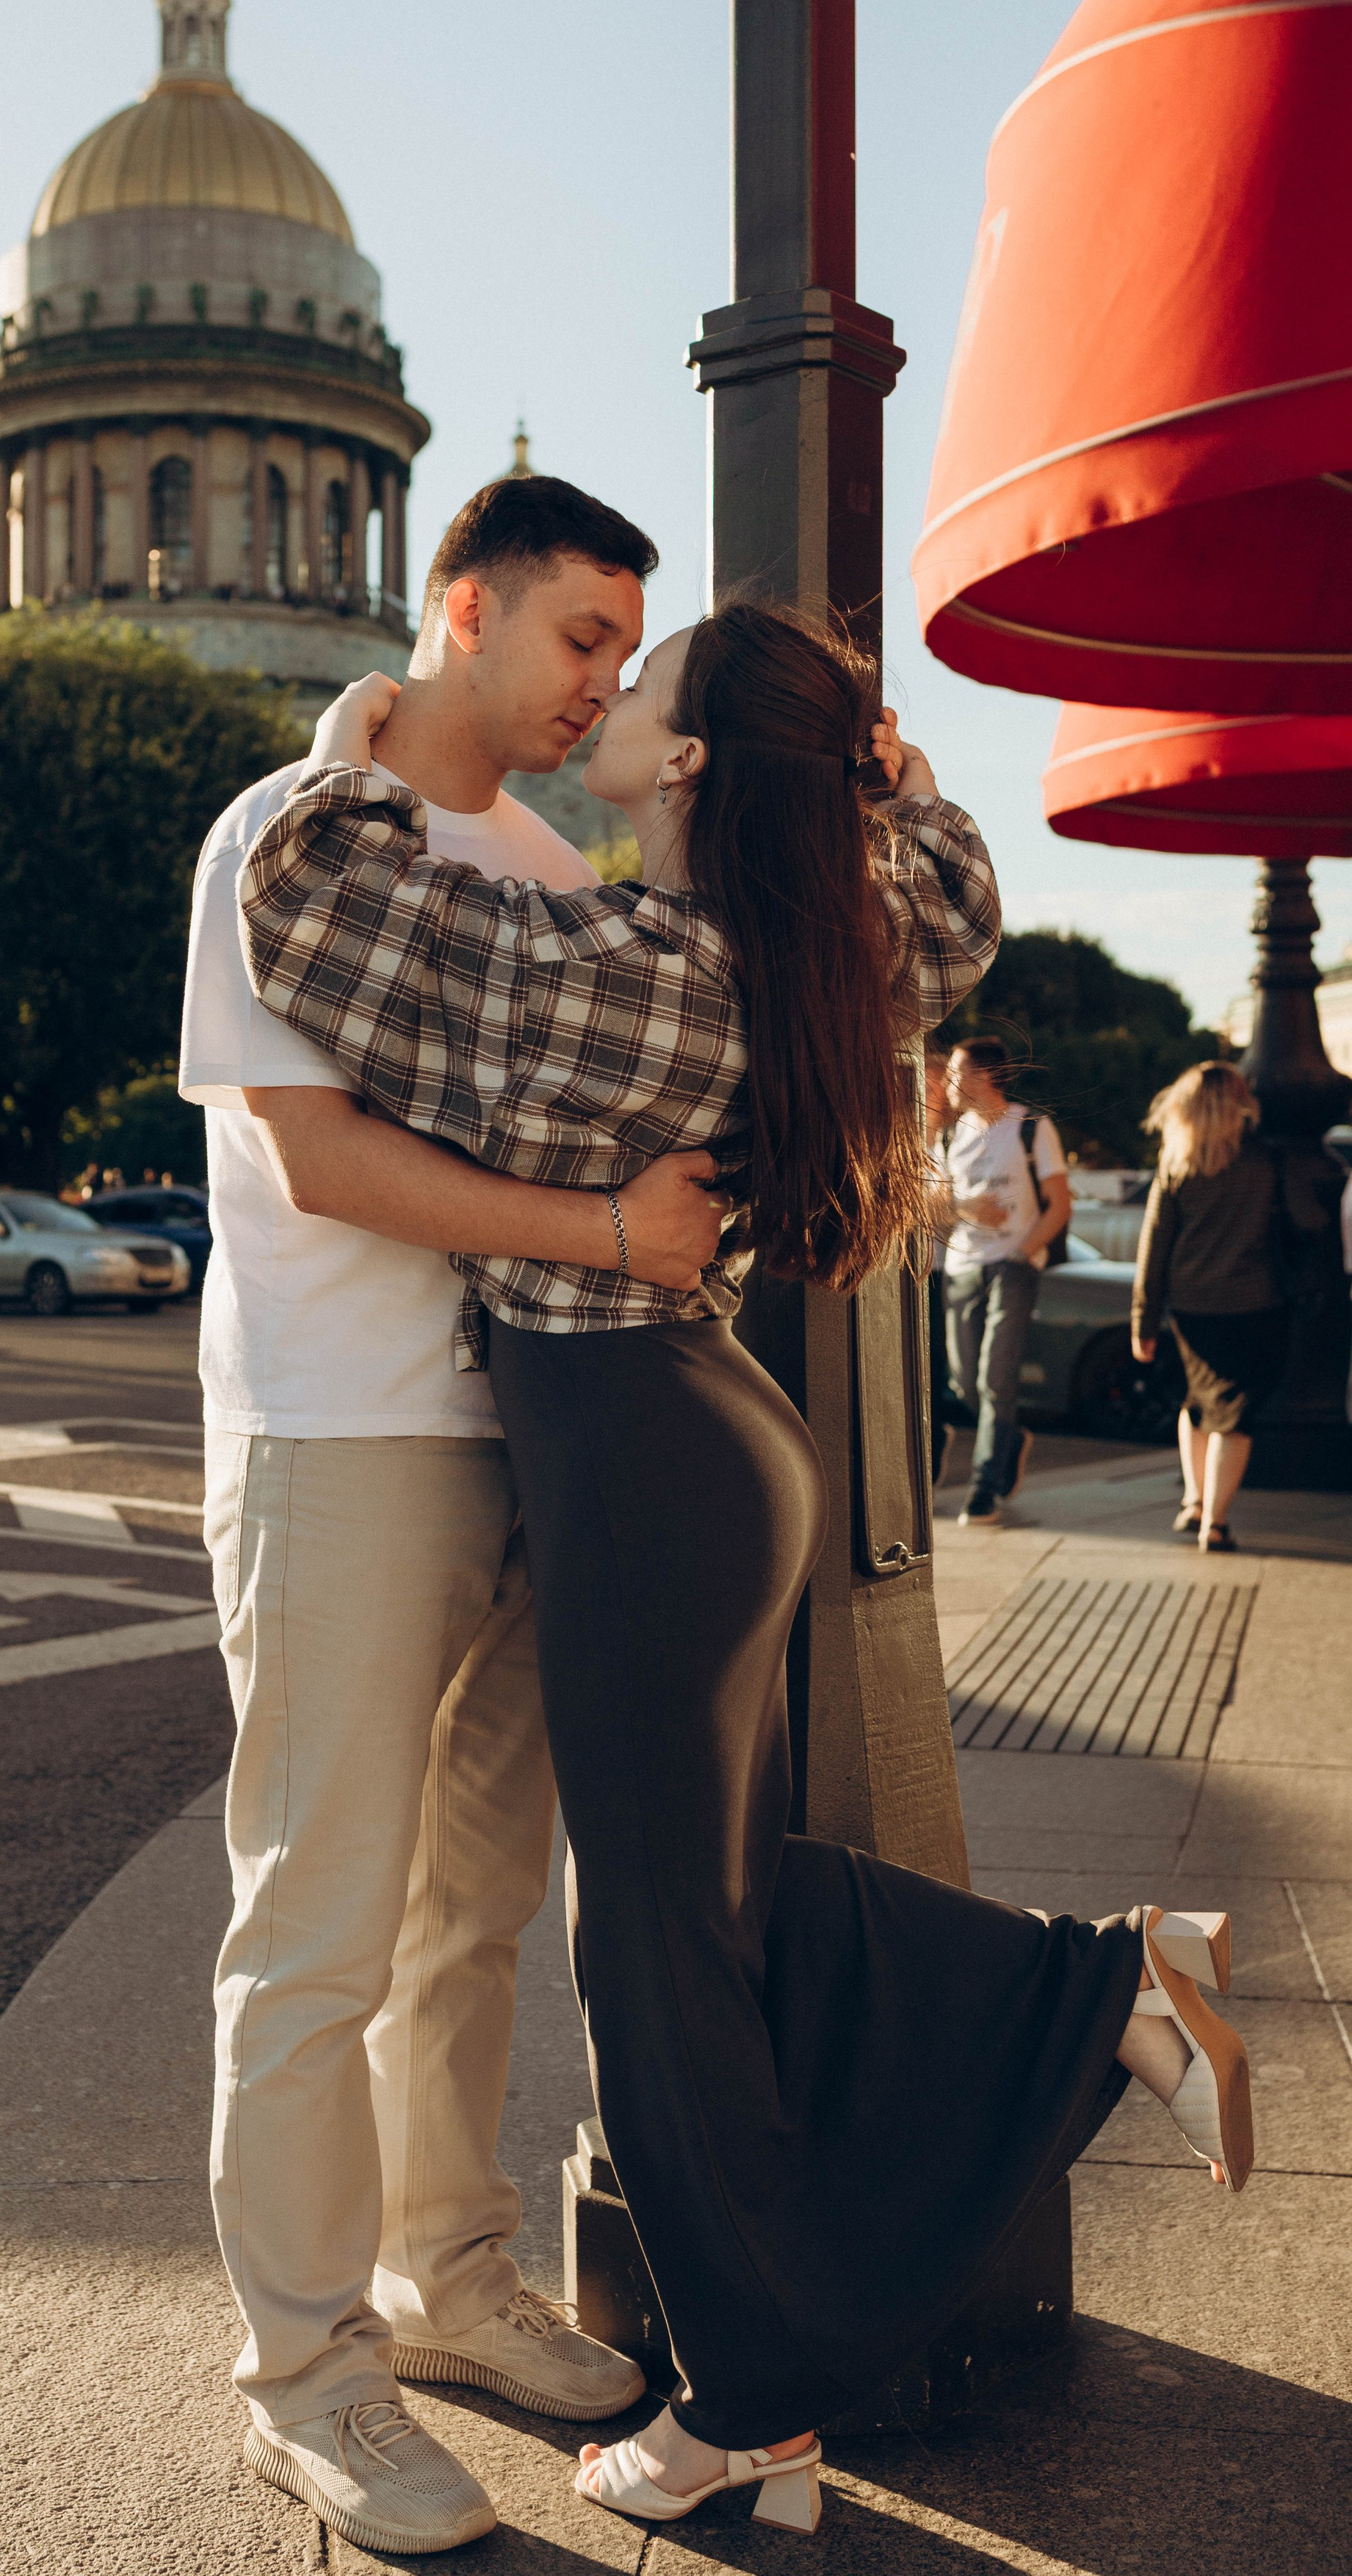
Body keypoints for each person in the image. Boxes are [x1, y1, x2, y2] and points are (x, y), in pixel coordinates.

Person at [239, 603, 1252, 2539]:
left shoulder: (625, 965)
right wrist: (879, 769)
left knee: (655, 1945)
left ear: (695, 765)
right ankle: (1116, 1983)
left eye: (647, 686)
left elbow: (308, 890)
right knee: (720, 1903)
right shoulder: (834, 945)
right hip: (698, 1443)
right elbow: (950, 865)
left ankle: (751, 2405)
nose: (604, 703)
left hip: (637, 1451)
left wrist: (371, 722)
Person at [179, 475, 729, 2557]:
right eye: (583, 639)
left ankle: (440, 2276)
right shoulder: (285, 832)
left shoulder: (537, 852)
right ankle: (304, 2369)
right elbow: (320, 1160)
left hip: (538, 1439)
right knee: (316, 1924)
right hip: (340, 1435)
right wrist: (604, 1223)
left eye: (622, 653)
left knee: (473, 1914)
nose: (604, 688)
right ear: (464, 607)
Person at [1133, 1061, 1292, 1554]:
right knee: (1233, 1415)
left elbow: (1153, 1246)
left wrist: (1143, 1319)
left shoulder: (1177, 1165)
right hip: (1253, 1303)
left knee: (1199, 1404)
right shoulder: (1266, 1160)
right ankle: (1216, 1525)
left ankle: (1196, 1501)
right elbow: (1299, 1223)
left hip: (1191, 1307)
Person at [940, 1039, 1071, 1526]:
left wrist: (1023, 1251)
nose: (948, 1083)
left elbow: (1060, 1203)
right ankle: (1010, 1440)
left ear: (984, 1076)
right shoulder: (950, 1137)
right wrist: (962, 1208)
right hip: (962, 1267)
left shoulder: (1031, 1127)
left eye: (955, 1072)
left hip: (1013, 1265)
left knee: (998, 1379)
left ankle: (984, 1489)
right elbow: (932, 1205)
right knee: (967, 1382)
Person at [924, 1048, 961, 1480]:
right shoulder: (902, 1139)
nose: (934, 1092)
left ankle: (930, 1454)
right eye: (928, 1083)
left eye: (940, 1084)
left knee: (943, 1371)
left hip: (952, 1270)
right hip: (913, 1271)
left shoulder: (961, 1139)